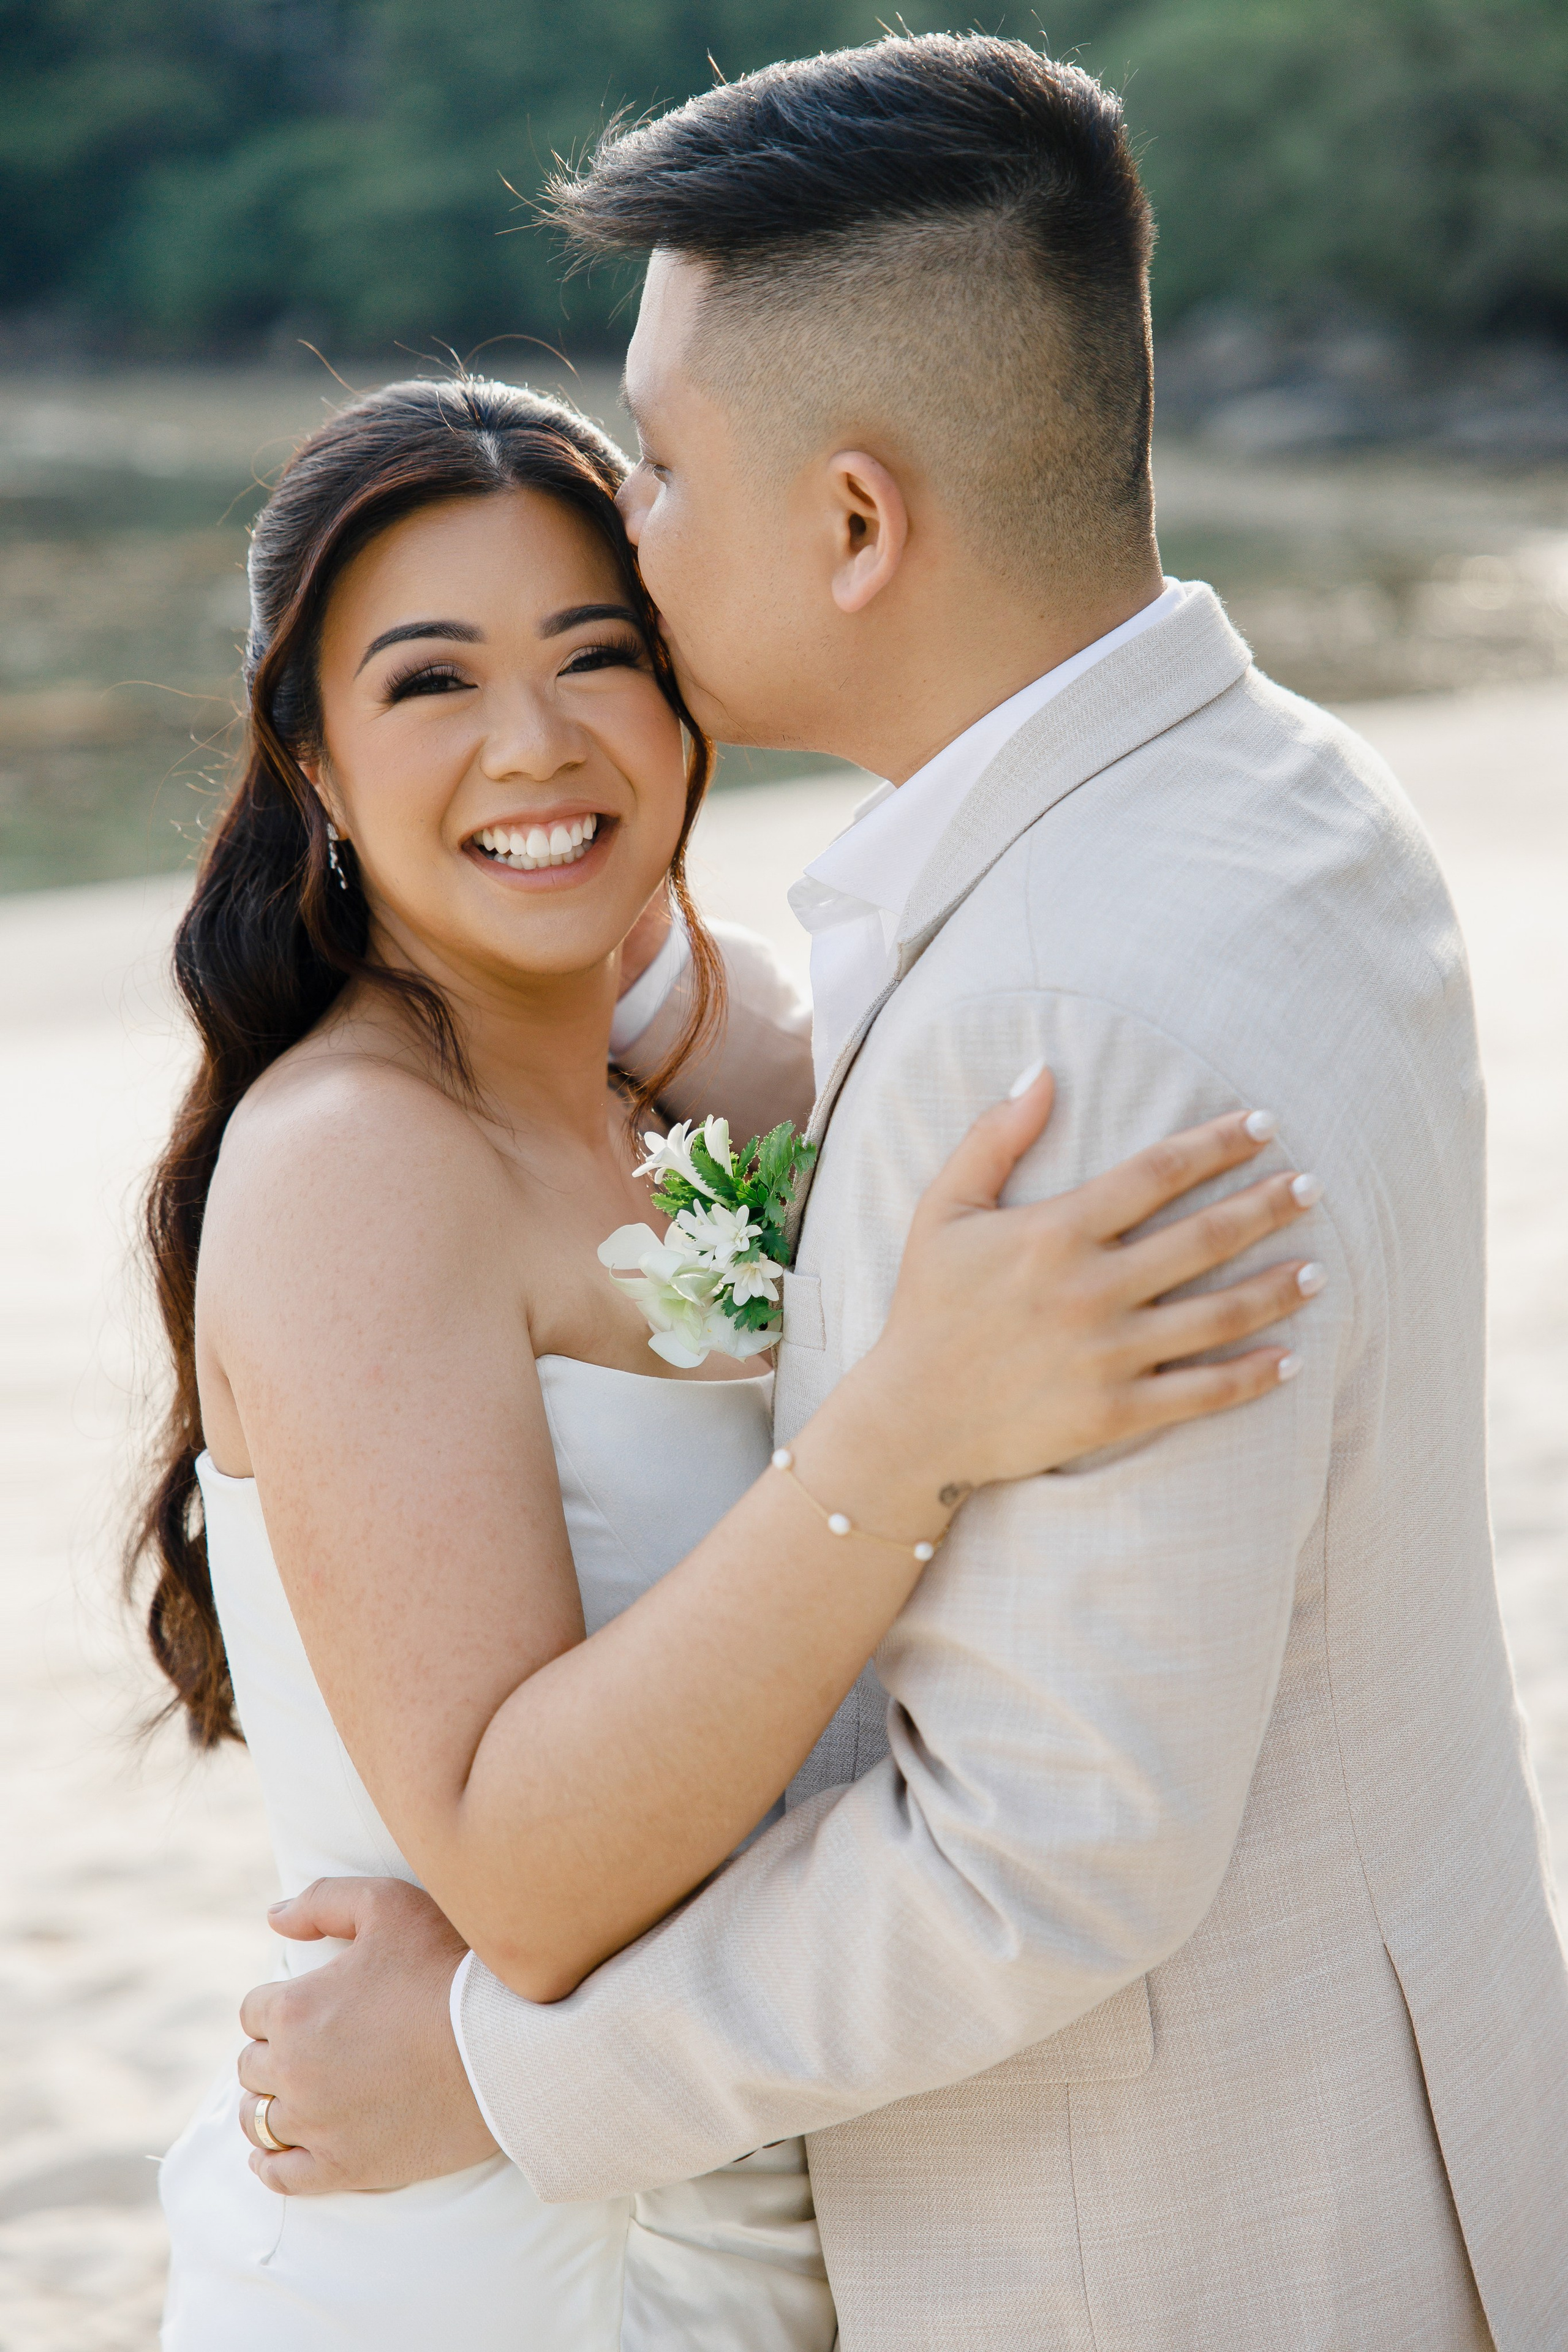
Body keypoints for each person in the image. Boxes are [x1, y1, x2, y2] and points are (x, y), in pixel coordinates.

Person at [238, 34, 1568, 2349]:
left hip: (1176, 2237)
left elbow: (1041, 1853)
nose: (629, 541)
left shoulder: (1053, 1023)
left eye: (655, 478)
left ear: (852, 523)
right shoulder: (1282, 797)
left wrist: (489, 2074)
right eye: (433, 683)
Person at [137, 370, 1318, 2349]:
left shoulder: (676, 1092)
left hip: (770, 2173)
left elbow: (783, 1019)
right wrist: (909, 1429)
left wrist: (666, 977)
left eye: (601, 657)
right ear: (311, 756)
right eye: (430, 683)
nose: (537, 740)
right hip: (516, 2248)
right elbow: (522, 1877)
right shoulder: (357, 1165)